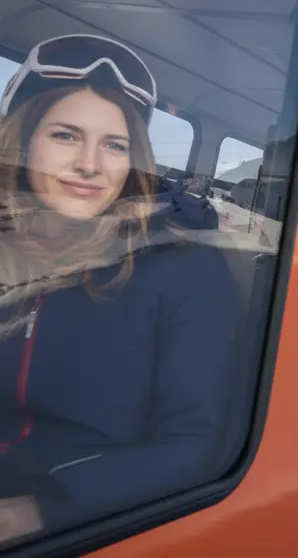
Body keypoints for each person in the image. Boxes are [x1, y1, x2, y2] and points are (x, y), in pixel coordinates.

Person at [0, 34, 241, 544]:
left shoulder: (179, 266)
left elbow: (197, 442)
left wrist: (40, 510)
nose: (91, 163)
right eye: (65, 135)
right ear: (23, 141)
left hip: (87, 521)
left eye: (115, 144)